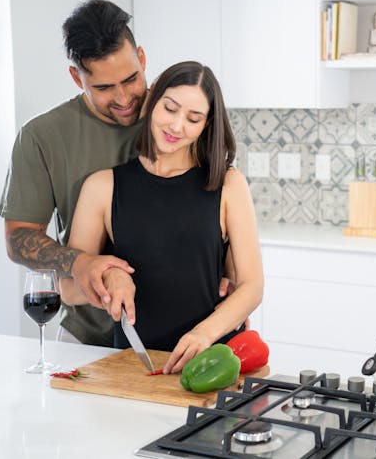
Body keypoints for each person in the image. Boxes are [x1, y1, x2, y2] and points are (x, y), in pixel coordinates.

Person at [0, 0, 237, 346]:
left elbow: (220, 207)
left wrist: (229, 276)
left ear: (141, 58)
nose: (124, 98)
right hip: (87, 335)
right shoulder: (42, 138)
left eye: (131, 79)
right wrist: (83, 264)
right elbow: (18, 238)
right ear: (76, 78)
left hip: (186, 339)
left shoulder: (178, 118)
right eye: (104, 88)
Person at [60, 61, 263, 374]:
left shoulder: (228, 184)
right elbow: (68, 288)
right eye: (170, 108)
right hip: (134, 364)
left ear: (207, 125)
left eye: (193, 118)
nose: (177, 126)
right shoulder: (102, 187)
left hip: (212, 360)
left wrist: (203, 335)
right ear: (152, 102)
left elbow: (252, 286)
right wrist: (108, 277)